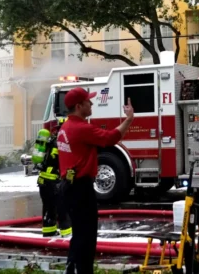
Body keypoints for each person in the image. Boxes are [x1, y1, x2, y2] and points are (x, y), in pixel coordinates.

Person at [58, 87, 134, 274]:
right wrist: (129, 119)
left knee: (79, 235)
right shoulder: (80, 128)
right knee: (86, 237)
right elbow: (110, 138)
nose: (92, 104)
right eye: (88, 101)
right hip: (80, 188)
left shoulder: (65, 127)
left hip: (69, 187)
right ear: (78, 106)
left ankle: (72, 269)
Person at [36, 118, 71, 237]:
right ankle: (67, 234)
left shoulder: (50, 140)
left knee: (48, 208)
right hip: (53, 182)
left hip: (42, 180)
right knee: (63, 208)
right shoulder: (62, 143)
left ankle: (48, 230)